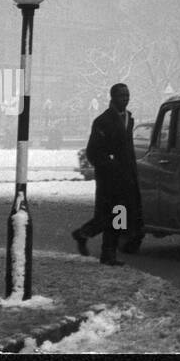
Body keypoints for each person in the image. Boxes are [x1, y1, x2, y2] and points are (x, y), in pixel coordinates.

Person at [71, 83, 143, 265]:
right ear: (112, 97)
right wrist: (109, 165)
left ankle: (108, 254)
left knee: (120, 215)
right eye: (121, 95)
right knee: (105, 215)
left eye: (127, 95)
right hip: (109, 179)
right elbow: (93, 152)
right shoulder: (102, 121)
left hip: (126, 177)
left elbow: (128, 150)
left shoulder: (129, 119)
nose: (125, 99)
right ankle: (84, 235)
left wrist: (132, 172)